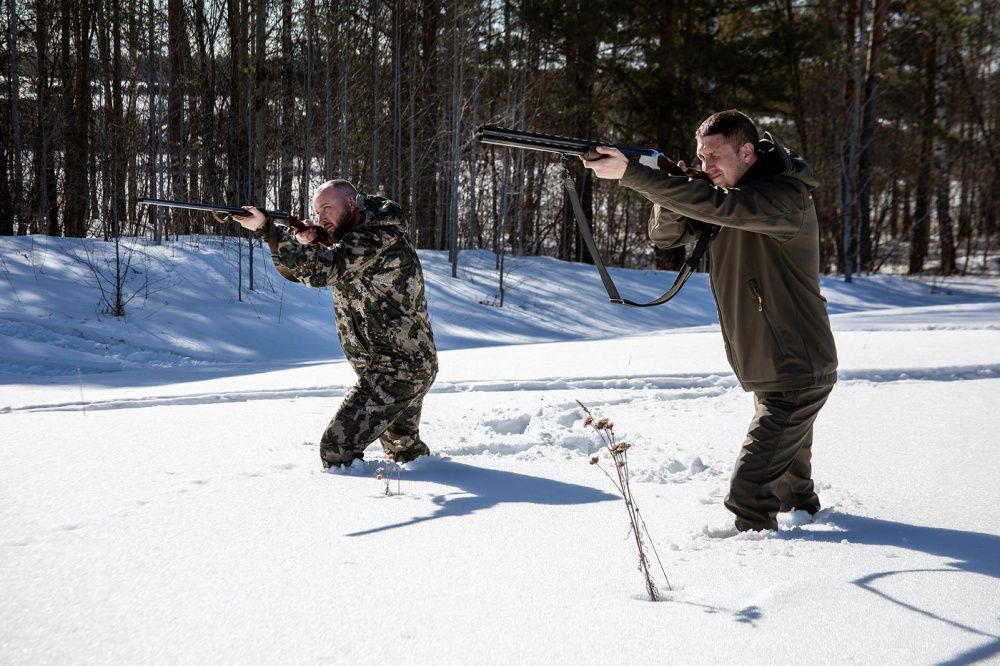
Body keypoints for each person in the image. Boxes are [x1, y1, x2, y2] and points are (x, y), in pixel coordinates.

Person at [583, 110, 838, 532]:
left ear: (748, 151)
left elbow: (721, 207)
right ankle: (812, 526)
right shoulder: (728, 195)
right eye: (701, 158)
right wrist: (678, 188)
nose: (707, 167)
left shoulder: (781, 198)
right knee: (793, 490)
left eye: (716, 157)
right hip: (774, 366)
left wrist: (633, 175)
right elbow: (665, 238)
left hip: (796, 369)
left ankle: (772, 570)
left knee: (749, 495)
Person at [236, 179, 438, 469]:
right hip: (399, 366)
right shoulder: (353, 239)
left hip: (399, 370)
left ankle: (357, 508)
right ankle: (417, 485)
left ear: (352, 204)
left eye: (328, 208)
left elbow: (322, 270)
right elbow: (299, 273)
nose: (322, 218)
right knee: (404, 450)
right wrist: (307, 238)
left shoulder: (378, 238)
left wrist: (268, 229)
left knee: (336, 449)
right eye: (318, 213)